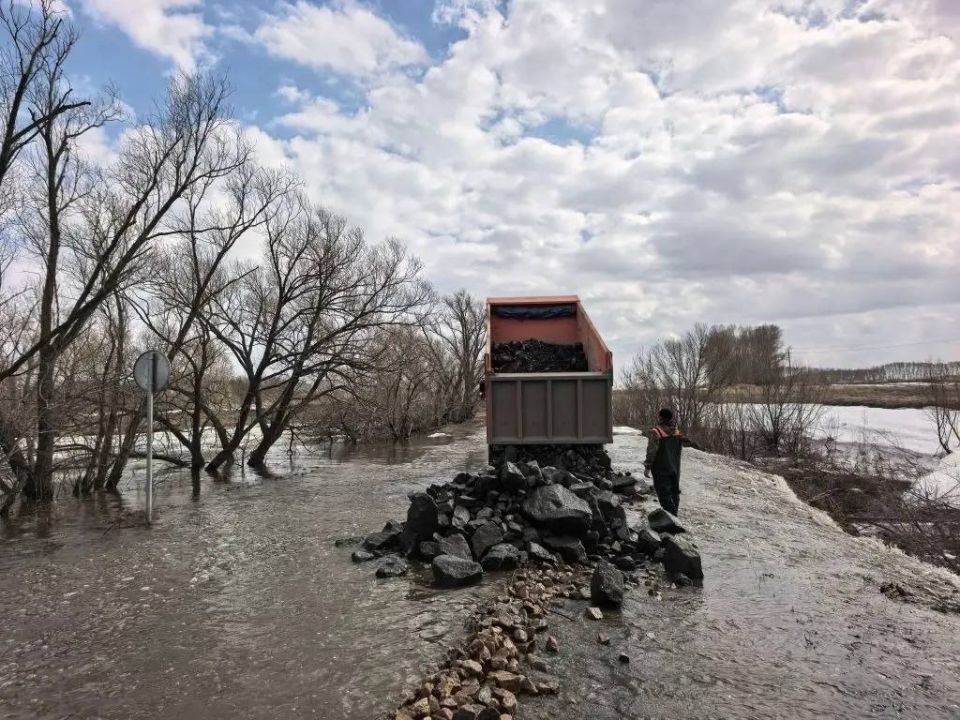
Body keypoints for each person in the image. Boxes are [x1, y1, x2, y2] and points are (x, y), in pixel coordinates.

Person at [643, 408, 692, 516]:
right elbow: (687, 443)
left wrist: (647, 467)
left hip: (661, 469)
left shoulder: (656, 432)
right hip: (675, 468)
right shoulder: (677, 432)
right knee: (675, 493)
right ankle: (675, 516)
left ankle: (671, 521)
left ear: (660, 417)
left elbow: (652, 451)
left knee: (664, 495)